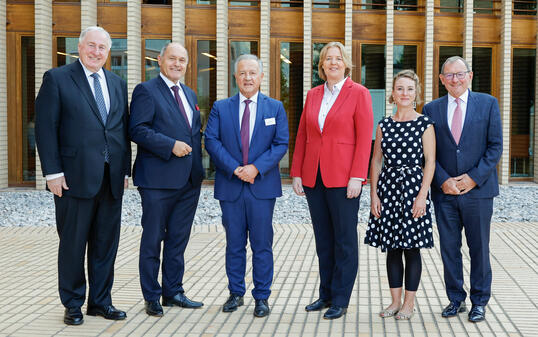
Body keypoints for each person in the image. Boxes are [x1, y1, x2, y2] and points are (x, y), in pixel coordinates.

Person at [35, 26, 130, 325]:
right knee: (73, 245)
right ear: (79, 47)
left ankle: (100, 302)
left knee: (105, 245)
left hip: (111, 179)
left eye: (103, 47)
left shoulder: (116, 82)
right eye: (92, 46)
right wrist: (52, 172)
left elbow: (120, 131)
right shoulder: (58, 79)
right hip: (72, 179)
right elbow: (45, 129)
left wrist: (124, 170)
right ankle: (73, 303)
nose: (97, 52)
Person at [290, 42, 373, 320]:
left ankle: (341, 298)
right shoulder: (313, 94)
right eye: (328, 59)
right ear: (322, 65)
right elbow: (303, 135)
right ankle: (325, 294)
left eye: (338, 58)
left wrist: (357, 176)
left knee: (344, 241)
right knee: (323, 240)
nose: (333, 63)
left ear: (346, 63)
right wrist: (297, 172)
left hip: (343, 178)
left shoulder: (359, 93)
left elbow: (364, 140)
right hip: (314, 177)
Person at [204, 54, 289, 318]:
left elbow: (281, 143)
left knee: (262, 244)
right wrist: (235, 169)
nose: (248, 78)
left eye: (253, 73)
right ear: (235, 77)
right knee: (234, 243)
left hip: (262, 187)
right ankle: (236, 293)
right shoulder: (221, 107)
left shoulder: (275, 107)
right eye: (242, 73)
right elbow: (211, 141)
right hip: (231, 186)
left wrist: (255, 168)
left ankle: (261, 297)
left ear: (262, 76)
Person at [423, 56, 502, 323]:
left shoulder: (488, 104)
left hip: (478, 192)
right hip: (445, 192)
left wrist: (473, 178)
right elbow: (428, 152)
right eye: (449, 75)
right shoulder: (431, 109)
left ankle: (479, 302)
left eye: (459, 74)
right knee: (449, 248)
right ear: (442, 80)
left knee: (479, 247)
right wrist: (443, 180)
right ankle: (455, 299)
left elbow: (495, 147)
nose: (455, 80)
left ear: (469, 76)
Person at [129, 42, 204, 317]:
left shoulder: (189, 92)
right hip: (157, 181)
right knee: (153, 240)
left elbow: (194, 133)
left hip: (188, 182)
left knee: (178, 240)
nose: (177, 64)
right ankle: (151, 296)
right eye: (172, 58)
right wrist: (169, 144)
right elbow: (137, 129)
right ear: (159, 60)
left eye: (182, 60)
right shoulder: (146, 91)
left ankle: (173, 291)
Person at [364, 70, 436, 320]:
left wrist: (422, 196)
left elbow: (430, 162)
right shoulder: (383, 124)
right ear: (393, 94)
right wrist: (374, 195)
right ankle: (394, 302)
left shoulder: (424, 124)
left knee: (412, 248)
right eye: (400, 89)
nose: (404, 93)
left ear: (416, 93)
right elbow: (375, 161)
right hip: (389, 190)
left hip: (414, 189)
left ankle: (409, 304)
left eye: (409, 89)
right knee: (392, 248)